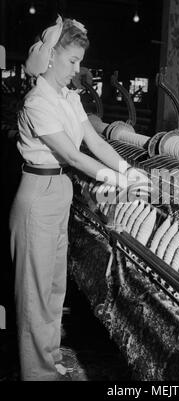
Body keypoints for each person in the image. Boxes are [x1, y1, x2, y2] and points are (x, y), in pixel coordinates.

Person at [9, 15, 148, 381]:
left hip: (61, 191)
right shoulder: (37, 102)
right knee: (34, 289)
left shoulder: (68, 98)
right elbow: (72, 156)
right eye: (72, 61)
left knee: (55, 283)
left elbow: (94, 141)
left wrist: (128, 169)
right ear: (51, 57)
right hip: (38, 194)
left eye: (79, 61)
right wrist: (114, 180)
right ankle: (36, 373)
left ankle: (50, 355)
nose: (77, 69)